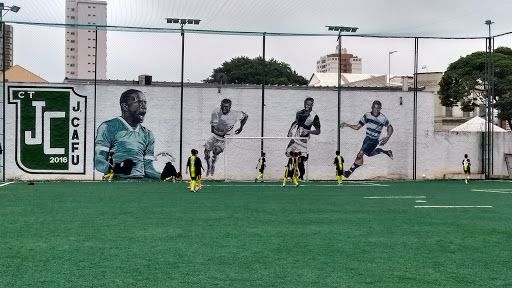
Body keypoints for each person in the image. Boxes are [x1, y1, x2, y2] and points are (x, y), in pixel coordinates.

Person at [94, 89, 161, 179]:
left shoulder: (147, 134)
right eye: (139, 102)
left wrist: (165, 176)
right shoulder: (108, 127)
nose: (144, 106)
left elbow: (148, 169)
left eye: (145, 102)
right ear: (125, 106)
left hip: (140, 182)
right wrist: (116, 168)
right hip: (116, 182)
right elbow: (99, 161)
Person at [340, 100, 393, 178]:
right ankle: (385, 151)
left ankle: (348, 173)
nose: (376, 110)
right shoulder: (367, 116)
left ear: (380, 109)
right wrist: (347, 125)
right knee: (368, 154)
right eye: (375, 108)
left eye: (378, 108)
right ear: (372, 107)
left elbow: (390, 127)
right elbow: (358, 127)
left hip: (373, 140)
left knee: (360, 155)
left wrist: (388, 137)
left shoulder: (382, 118)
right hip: (367, 139)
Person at [204, 98, 248, 177]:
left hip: (226, 137)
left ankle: (213, 164)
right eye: (223, 106)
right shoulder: (216, 112)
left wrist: (241, 127)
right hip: (217, 134)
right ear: (220, 105)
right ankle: (208, 166)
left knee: (215, 150)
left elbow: (245, 116)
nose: (224, 108)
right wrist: (222, 132)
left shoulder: (235, 114)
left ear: (230, 107)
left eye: (226, 107)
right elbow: (213, 130)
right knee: (206, 152)